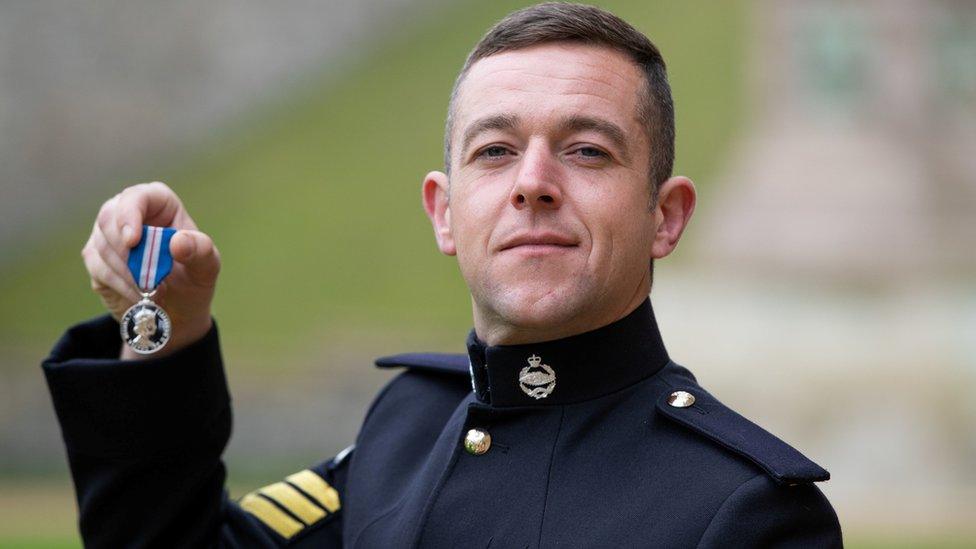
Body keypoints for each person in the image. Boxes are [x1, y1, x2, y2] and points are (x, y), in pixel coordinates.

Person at [43, 3, 842, 547]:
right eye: (495, 151)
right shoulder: (409, 424)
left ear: (664, 216)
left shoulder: (747, 512)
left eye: (588, 149)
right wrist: (166, 331)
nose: (533, 181)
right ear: (444, 212)